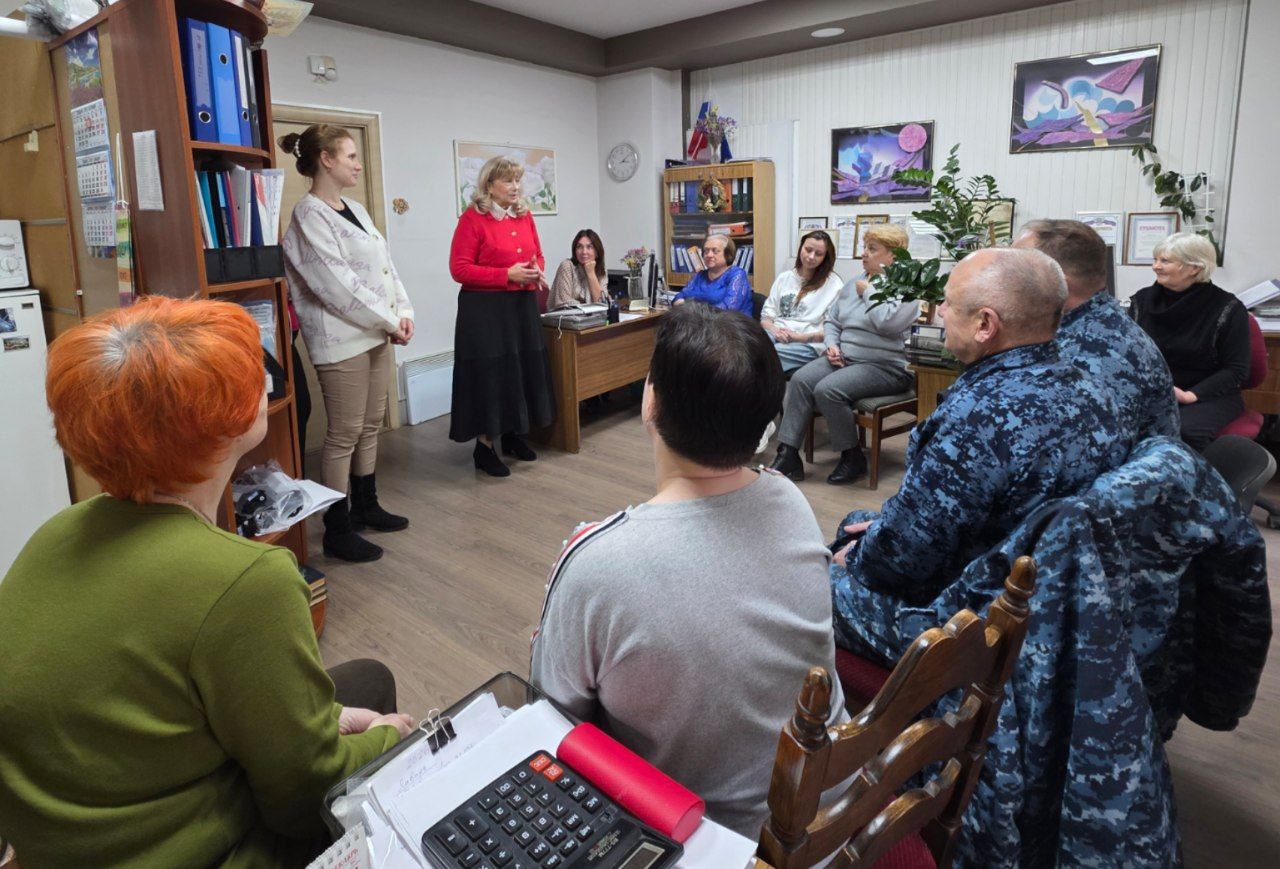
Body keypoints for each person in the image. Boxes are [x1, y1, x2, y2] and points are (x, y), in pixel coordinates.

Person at [0, 298, 414, 867]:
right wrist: (390, 737)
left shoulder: (55, 533)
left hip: (66, 840)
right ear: (226, 421)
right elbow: (304, 802)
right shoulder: (247, 582)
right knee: (381, 717)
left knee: (363, 680)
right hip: (195, 852)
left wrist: (325, 722)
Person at [530, 303, 846, 838]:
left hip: (716, 840)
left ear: (649, 400)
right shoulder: (789, 498)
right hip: (829, 802)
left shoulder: (597, 564)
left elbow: (552, 717)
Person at [829, 248, 1127, 619]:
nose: (939, 311)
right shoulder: (1094, 387)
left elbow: (899, 563)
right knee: (858, 522)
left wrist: (854, 558)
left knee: (813, 576)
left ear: (985, 324)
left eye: (948, 303)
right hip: (1050, 591)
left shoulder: (978, 415)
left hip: (968, 614)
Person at [281, 124, 414, 564]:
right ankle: (337, 529)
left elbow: (386, 268)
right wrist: (390, 321)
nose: (358, 165)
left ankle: (366, 505)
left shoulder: (354, 208)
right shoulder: (308, 215)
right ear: (326, 160)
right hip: (340, 340)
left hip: (376, 331)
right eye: (351, 156)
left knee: (371, 424)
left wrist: (404, 313)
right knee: (343, 434)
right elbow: (337, 286)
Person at [769, 224, 917, 484]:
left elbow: (887, 323)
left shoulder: (905, 288)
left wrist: (868, 291)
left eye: (872, 249)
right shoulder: (852, 285)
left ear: (893, 255)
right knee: (801, 379)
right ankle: (788, 454)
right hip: (847, 359)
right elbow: (832, 321)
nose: (864, 253)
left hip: (886, 366)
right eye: (865, 247)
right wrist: (832, 344)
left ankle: (852, 457)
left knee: (828, 390)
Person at [1013, 219, 1179, 442]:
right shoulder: (1089, 321)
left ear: (1058, 283)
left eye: (1016, 272)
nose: (1005, 281)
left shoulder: (1092, 352)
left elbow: (1076, 450)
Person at [449, 155, 556, 477]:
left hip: (521, 305)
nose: (515, 186)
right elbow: (459, 269)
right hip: (485, 311)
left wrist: (536, 270)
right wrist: (506, 274)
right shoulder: (472, 219)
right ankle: (484, 447)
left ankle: (512, 435)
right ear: (489, 184)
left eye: (518, 180)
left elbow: (537, 254)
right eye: (508, 180)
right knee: (492, 375)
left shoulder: (524, 215)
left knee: (520, 369)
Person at [1128, 232, 1250, 452]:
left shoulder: (1228, 308)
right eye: (1155, 259)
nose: (1155, 267)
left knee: (1182, 431)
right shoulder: (1142, 301)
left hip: (1207, 395)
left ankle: (1194, 474)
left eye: (1165, 261)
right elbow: (1128, 354)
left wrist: (1189, 395)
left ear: (1194, 268)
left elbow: (1236, 369)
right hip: (1153, 393)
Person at [760, 230, 844, 374]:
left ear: (825, 257)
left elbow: (832, 330)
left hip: (808, 344)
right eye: (808, 250)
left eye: (818, 254)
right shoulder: (784, 278)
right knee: (750, 345)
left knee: (767, 354)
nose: (811, 257)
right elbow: (766, 318)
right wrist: (775, 330)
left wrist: (796, 337)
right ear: (801, 248)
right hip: (777, 334)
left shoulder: (834, 285)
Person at [671, 234, 753, 315]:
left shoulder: (737, 274)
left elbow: (729, 309)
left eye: (715, 251)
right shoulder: (700, 275)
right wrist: (683, 303)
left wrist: (689, 306)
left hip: (731, 322)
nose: (709, 255)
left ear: (727, 255)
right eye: (706, 251)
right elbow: (678, 298)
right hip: (699, 320)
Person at [548, 228, 606, 309]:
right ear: (575, 250)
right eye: (579, 247)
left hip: (590, 316)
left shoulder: (601, 269)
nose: (584, 252)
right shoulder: (567, 266)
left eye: (589, 247)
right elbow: (564, 303)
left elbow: (603, 304)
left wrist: (591, 273)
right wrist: (589, 307)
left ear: (597, 252)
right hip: (563, 316)